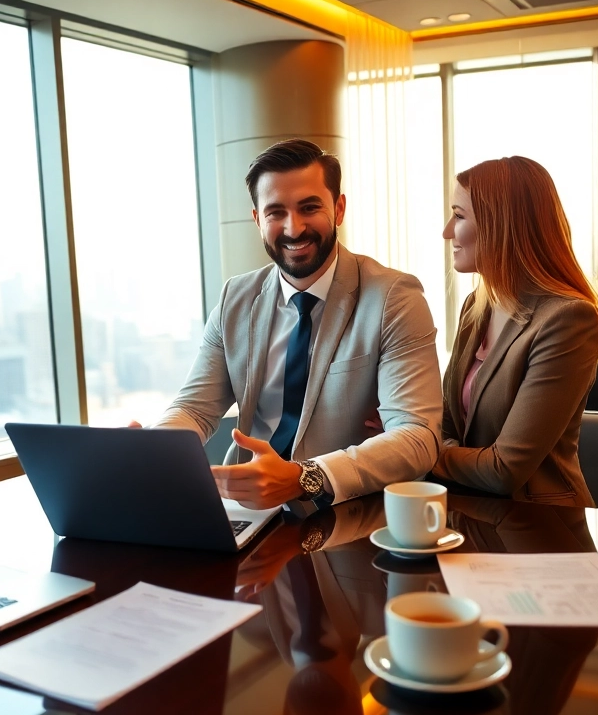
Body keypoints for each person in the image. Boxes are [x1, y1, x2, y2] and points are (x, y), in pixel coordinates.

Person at [155, 139, 442, 513]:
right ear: (258, 219)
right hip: (247, 509)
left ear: (338, 209)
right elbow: (195, 409)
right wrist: (153, 449)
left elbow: (417, 437)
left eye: (309, 208)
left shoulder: (394, 298)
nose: (294, 228)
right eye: (276, 212)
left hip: (344, 516)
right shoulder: (235, 299)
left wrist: (304, 477)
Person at [433, 156, 598, 507]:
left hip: (542, 526)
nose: (446, 232)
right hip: (473, 510)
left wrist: (419, 452)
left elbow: (504, 469)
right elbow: (446, 421)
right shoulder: (477, 305)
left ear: (500, 225)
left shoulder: (567, 320)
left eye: (458, 216)